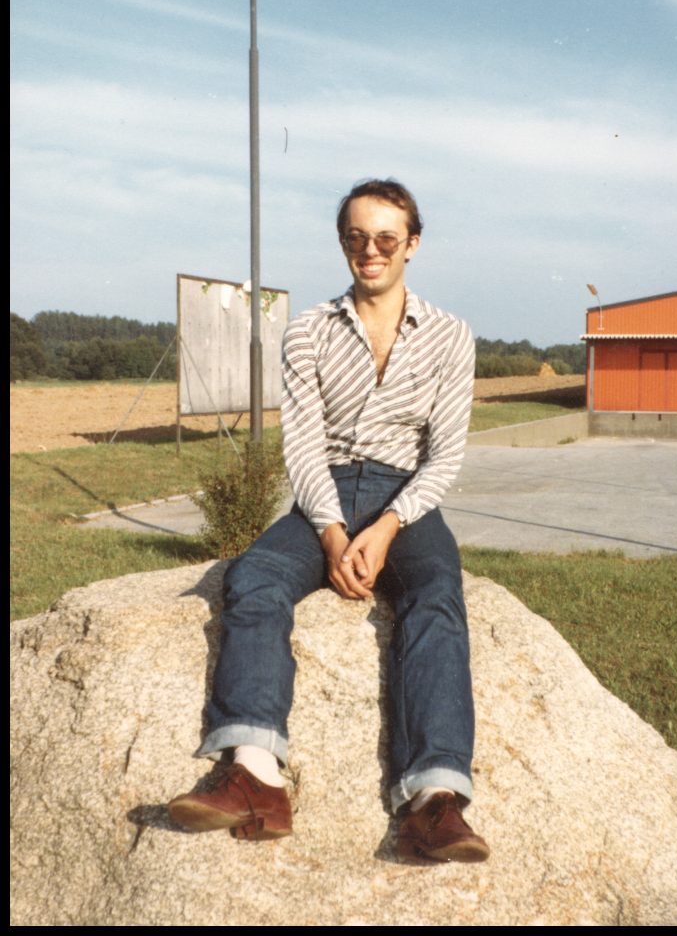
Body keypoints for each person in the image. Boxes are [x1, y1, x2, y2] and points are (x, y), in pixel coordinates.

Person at [168, 178, 489, 864]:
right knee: (254, 576)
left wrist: (388, 526)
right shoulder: (310, 330)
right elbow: (304, 448)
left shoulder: (450, 334)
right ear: (343, 242)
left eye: (385, 238)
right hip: (326, 493)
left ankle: (433, 801)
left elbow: (444, 456)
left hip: (406, 497)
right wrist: (333, 533)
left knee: (435, 594)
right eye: (355, 237)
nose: (370, 251)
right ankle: (255, 775)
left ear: (412, 244)